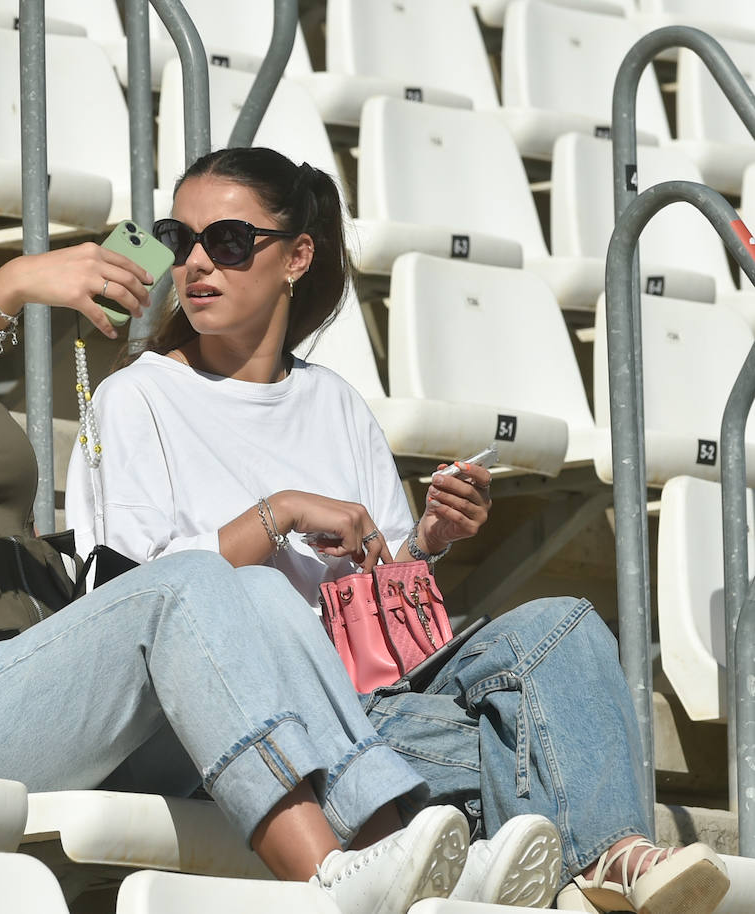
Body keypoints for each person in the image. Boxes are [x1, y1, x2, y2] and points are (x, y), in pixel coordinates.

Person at [0, 133, 514, 914]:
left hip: (47, 687)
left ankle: (393, 858)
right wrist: (10, 284)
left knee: (263, 594)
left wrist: (179, 235)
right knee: (185, 582)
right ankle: (331, 884)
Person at [63, 145, 732, 914]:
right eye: (181, 241)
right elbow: (135, 600)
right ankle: (603, 857)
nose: (198, 264)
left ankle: (604, 855)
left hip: (374, 691)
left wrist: (429, 542)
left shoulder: (337, 403)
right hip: (260, 711)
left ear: (297, 256)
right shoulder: (135, 398)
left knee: (566, 624)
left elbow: (378, 593)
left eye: (230, 241)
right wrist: (278, 513)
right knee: (532, 742)